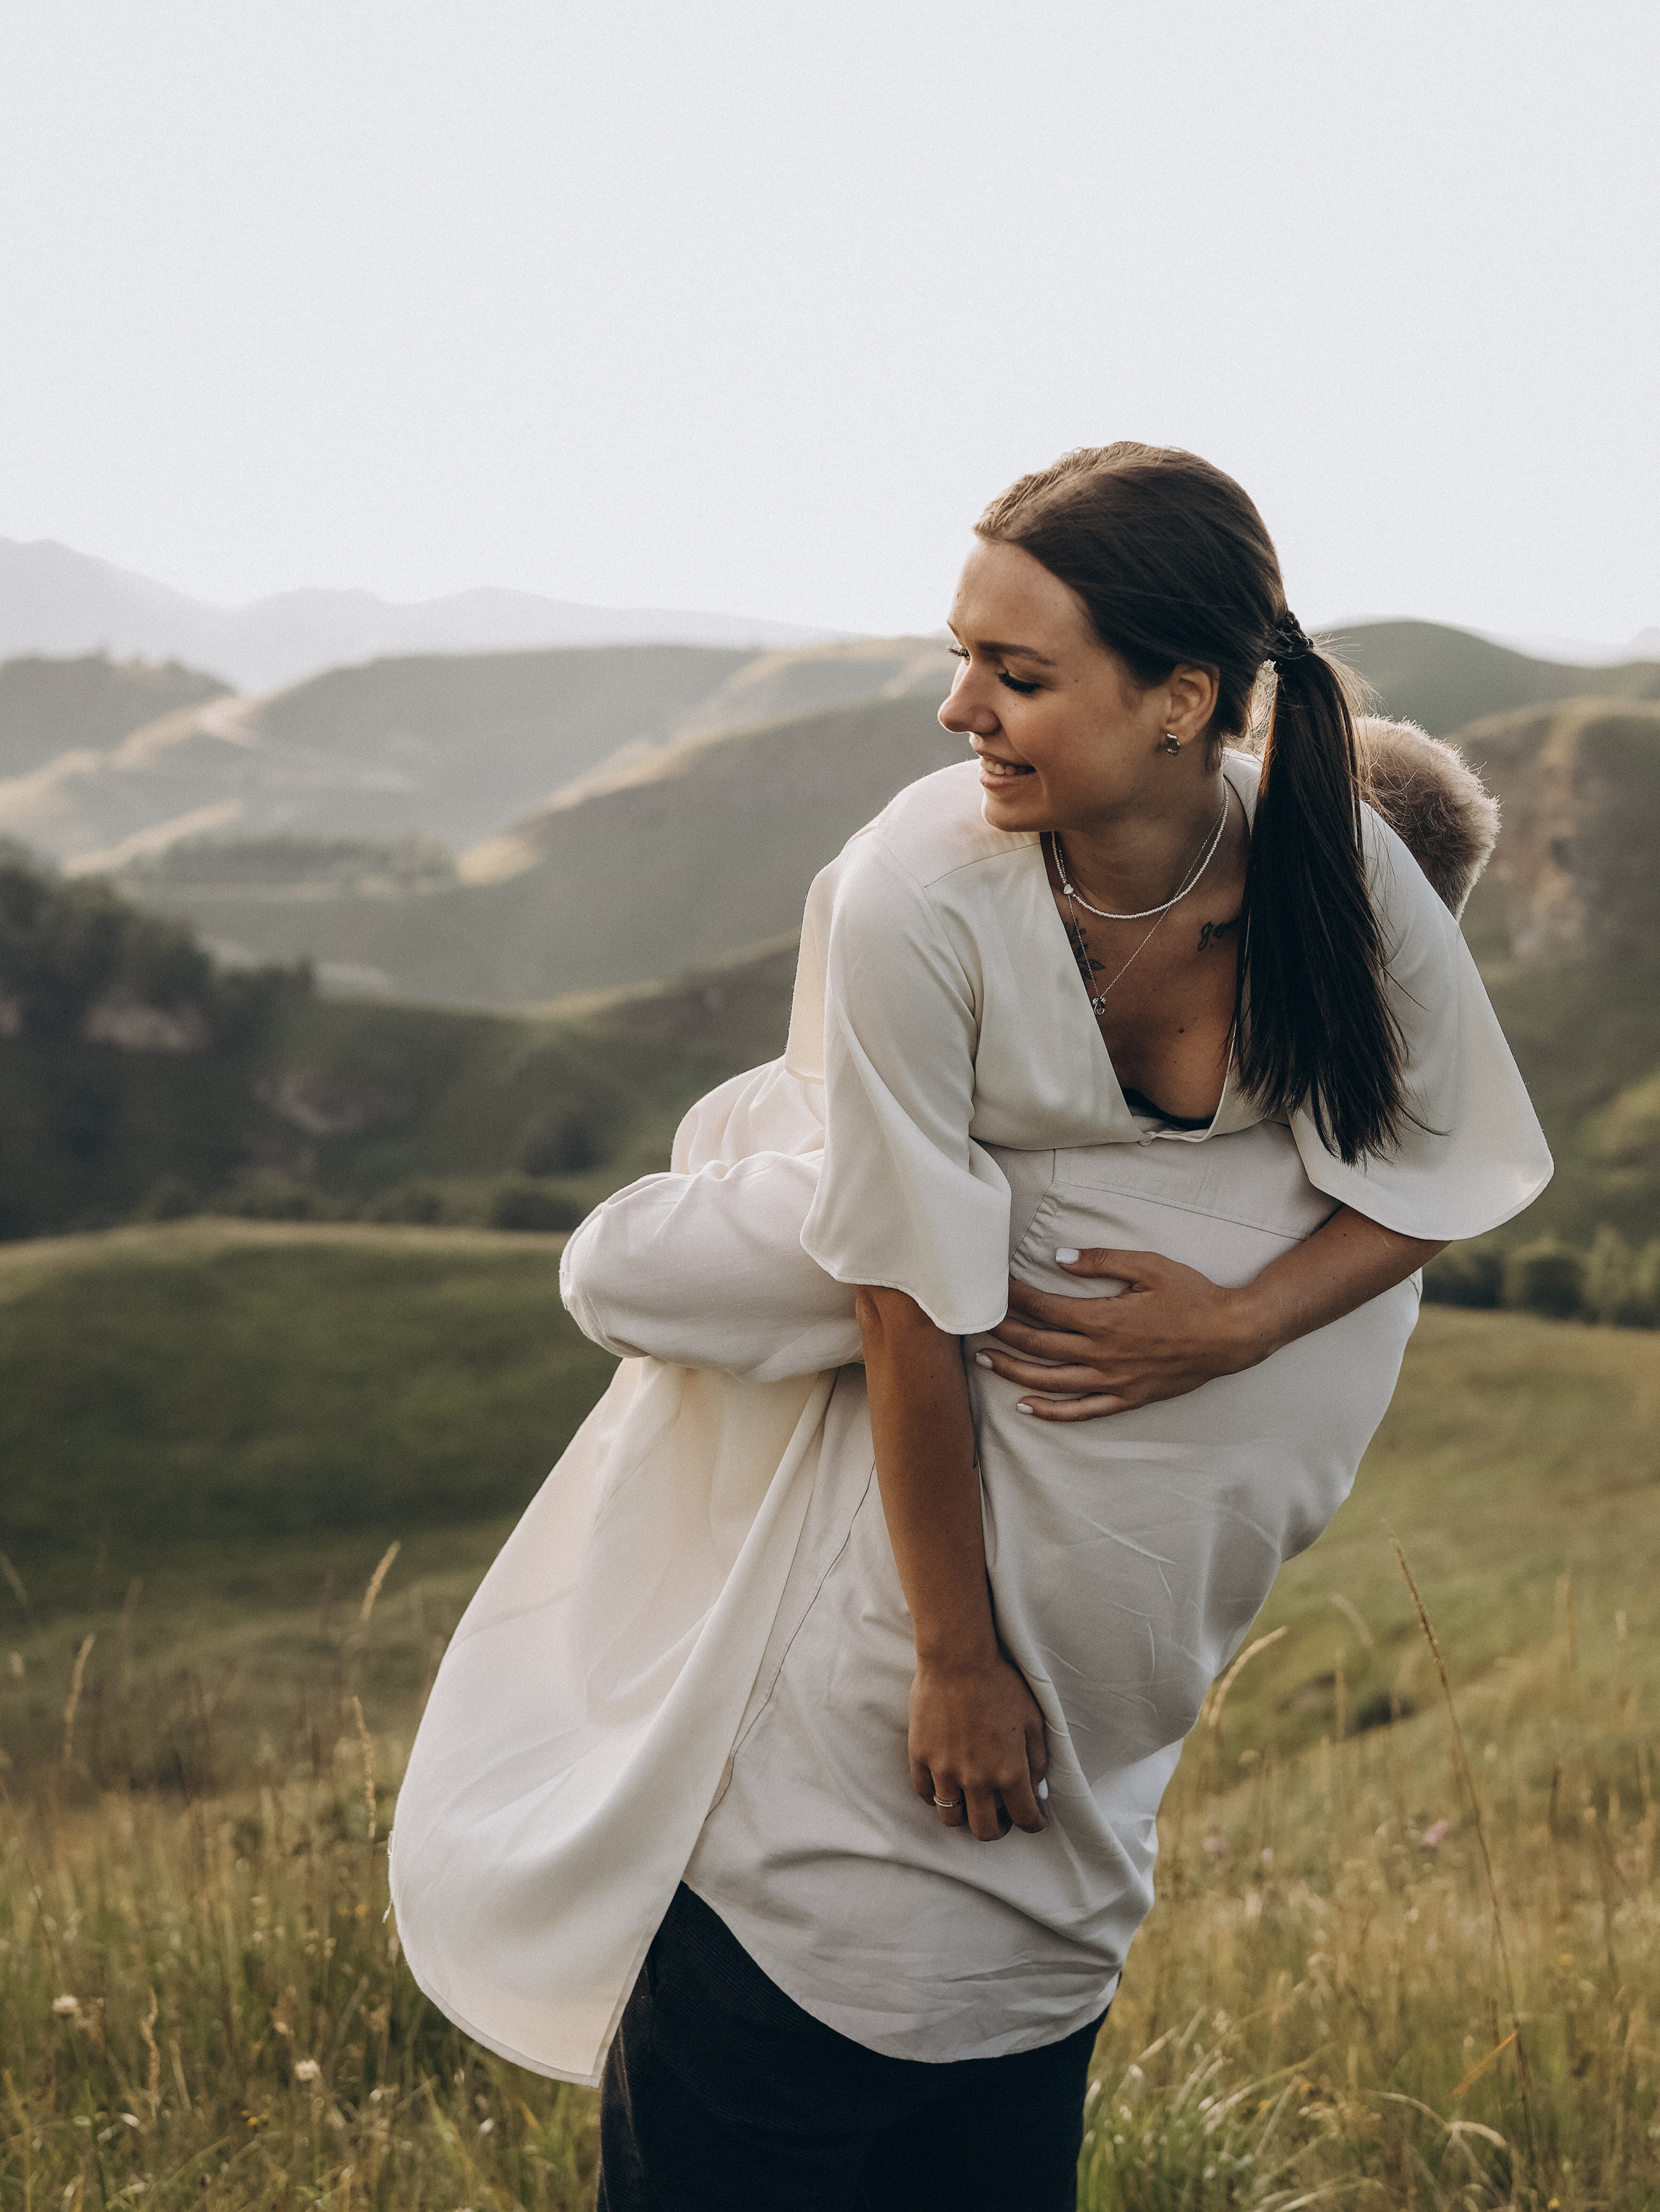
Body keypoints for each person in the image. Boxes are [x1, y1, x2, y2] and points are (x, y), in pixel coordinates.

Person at [389, 446, 1549, 2211]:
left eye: (1016, 673)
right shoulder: (919, 890)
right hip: (848, 1775)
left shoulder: (1340, 874)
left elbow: (1464, 1162)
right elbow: (905, 1287)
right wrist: (958, 1659)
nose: (957, 710)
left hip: (1086, 1825)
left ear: (1181, 700)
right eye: (963, 658)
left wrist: (1241, 1322)